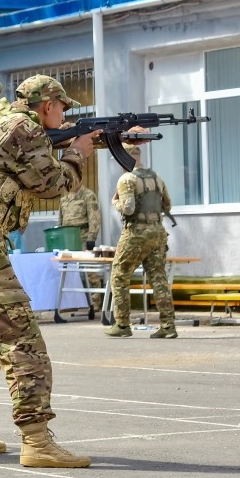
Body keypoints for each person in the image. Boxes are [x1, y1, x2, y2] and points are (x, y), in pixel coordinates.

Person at [0, 75, 97, 469]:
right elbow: (51, 183)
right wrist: (79, 152)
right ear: (47, 105)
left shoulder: (1, 120)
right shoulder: (25, 129)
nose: (65, 113)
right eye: (62, 107)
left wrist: (64, 140)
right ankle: (36, 441)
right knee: (24, 348)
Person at [104, 139, 176, 339]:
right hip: (157, 232)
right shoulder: (157, 177)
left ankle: (122, 324)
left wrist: (114, 203)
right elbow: (167, 206)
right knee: (159, 278)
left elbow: (128, 208)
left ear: (124, 157)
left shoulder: (126, 179)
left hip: (136, 233)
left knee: (119, 275)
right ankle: (168, 326)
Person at [59, 185, 103, 312]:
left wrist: (91, 237)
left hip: (83, 237)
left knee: (90, 272)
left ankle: (95, 303)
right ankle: (69, 303)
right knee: (67, 272)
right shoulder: (64, 197)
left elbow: (94, 218)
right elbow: (61, 220)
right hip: (68, 238)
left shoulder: (88, 195)